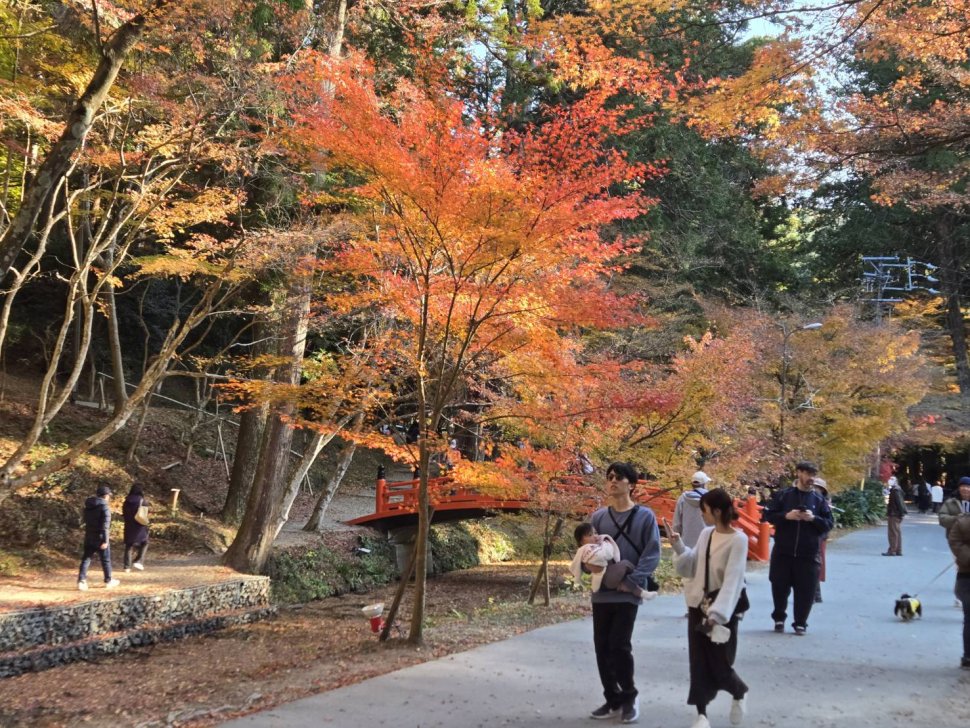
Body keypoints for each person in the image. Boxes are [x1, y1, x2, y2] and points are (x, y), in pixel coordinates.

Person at [667, 489, 749, 728]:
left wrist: (717, 615)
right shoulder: (706, 534)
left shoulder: (738, 540)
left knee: (720, 663)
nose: (702, 515)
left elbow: (734, 579)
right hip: (698, 605)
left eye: (704, 510)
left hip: (724, 610)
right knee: (699, 662)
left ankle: (739, 692)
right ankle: (701, 715)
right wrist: (679, 545)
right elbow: (693, 563)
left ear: (717, 510)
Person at [587, 462, 662, 724]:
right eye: (609, 477)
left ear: (631, 484)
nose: (613, 481)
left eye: (619, 477)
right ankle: (612, 698)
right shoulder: (598, 518)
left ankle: (629, 697)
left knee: (619, 646)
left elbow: (652, 553)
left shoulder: (645, 516)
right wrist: (589, 568)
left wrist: (631, 581)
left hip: (627, 592)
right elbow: (589, 551)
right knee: (601, 647)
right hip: (602, 592)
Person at [763, 461, 833, 635]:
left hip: (808, 553)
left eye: (813, 475)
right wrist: (786, 516)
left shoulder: (819, 499)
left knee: (806, 589)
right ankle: (779, 618)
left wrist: (813, 519)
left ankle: (800, 622)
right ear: (798, 473)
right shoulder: (783, 495)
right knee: (779, 586)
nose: (811, 478)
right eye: (807, 474)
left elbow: (829, 524)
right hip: (783, 550)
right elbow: (767, 515)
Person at [77, 485, 120, 591]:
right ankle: (108, 580)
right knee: (105, 560)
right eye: (109, 496)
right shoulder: (104, 507)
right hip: (100, 537)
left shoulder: (88, 506)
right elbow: (105, 525)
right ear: (106, 496)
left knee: (86, 559)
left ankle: (81, 581)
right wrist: (105, 540)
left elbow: (85, 521)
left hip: (89, 536)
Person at [946, 495, 970, 670]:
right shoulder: (963, 523)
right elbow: (954, 541)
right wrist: (968, 558)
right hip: (967, 575)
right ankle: (968, 655)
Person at [673, 471, 712, 549]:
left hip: (686, 545)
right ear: (704, 484)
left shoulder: (683, 498)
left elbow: (676, 524)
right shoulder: (711, 499)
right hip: (705, 545)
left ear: (692, 485)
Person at [812, 477, 831, 602]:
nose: (815, 489)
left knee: (815, 565)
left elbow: (828, 522)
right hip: (812, 536)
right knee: (812, 565)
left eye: (817, 488)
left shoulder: (823, 504)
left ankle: (814, 594)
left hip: (819, 537)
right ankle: (816, 594)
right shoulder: (810, 500)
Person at [122, 484, 149, 572]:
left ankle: (127, 567)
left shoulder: (126, 501)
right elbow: (144, 515)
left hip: (128, 525)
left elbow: (124, 513)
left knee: (129, 545)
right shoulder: (142, 501)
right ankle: (138, 561)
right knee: (145, 542)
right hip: (139, 526)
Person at [884, 476, 906, 556]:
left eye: (892, 479)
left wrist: (901, 513)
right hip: (896, 513)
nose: (890, 480)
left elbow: (899, 503)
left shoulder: (895, 490)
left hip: (894, 513)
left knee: (892, 532)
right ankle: (898, 550)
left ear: (896, 481)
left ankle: (892, 550)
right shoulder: (896, 489)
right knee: (897, 532)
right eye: (890, 479)